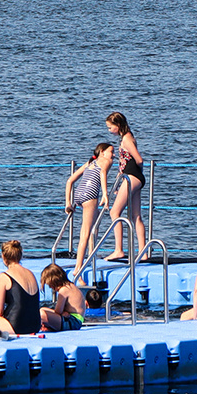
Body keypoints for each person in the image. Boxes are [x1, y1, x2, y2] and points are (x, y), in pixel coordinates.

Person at [64, 143, 114, 281]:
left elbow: (70, 181)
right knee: (85, 234)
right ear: (102, 152)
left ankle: (92, 254)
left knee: (95, 224)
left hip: (78, 194)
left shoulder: (90, 162)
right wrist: (105, 194)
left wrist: (68, 202)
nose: (113, 155)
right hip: (90, 195)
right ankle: (78, 269)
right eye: (111, 151)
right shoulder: (106, 160)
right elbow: (103, 173)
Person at [103, 112, 147, 262]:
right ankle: (143, 252)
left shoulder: (127, 139)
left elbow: (138, 159)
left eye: (110, 127)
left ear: (118, 125)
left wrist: (136, 175)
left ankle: (118, 250)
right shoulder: (126, 137)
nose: (109, 130)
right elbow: (124, 163)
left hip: (132, 177)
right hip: (132, 177)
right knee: (136, 216)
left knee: (115, 212)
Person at [39, 263, 89, 332]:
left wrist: (61, 313)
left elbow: (58, 311)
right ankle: (48, 327)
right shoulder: (71, 286)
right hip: (76, 321)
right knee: (42, 309)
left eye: (51, 286)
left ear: (55, 282)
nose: (51, 288)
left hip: (72, 321)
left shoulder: (64, 290)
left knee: (42, 315)